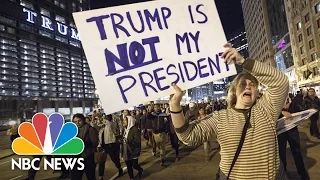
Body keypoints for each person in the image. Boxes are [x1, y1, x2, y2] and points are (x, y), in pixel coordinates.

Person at [169, 43, 289, 179]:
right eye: (243, 84)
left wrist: (242, 61)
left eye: (252, 84)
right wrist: (174, 105)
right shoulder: (220, 118)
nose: (248, 86)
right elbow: (188, 136)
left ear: (256, 91)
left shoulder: (267, 109)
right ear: (233, 91)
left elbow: (281, 81)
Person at [278, 94, 310, 180]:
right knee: (282, 153)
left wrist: (308, 112)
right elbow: (270, 112)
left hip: (292, 130)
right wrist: (281, 112)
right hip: (281, 131)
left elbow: (300, 109)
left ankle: (302, 173)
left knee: (297, 152)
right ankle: (284, 171)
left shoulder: (293, 100)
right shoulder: (275, 100)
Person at [71, 114, 99, 180]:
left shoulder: (90, 129)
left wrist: (83, 144)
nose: (77, 123)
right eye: (75, 121)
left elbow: (95, 143)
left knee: (91, 177)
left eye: (79, 121)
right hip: (75, 159)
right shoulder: (72, 130)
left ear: (83, 120)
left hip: (88, 158)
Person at [98, 114, 123, 180]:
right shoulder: (102, 127)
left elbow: (109, 124)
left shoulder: (112, 124)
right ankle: (101, 176)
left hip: (111, 144)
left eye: (107, 117)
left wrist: (103, 119)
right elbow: (99, 136)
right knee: (101, 161)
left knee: (114, 159)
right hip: (103, 146)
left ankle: (119, 168)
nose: (105, 118)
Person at [122, 116, 143, 180]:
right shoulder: (125, 129)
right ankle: (131, 178)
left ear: (129, 121)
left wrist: (128, 141)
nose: (124, 121)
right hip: (126, 150)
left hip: (133, 150)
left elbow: (137, 141)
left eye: (125, 120)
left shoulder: (135, 129)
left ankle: (140, 169)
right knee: (129, 166)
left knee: (134, 165)